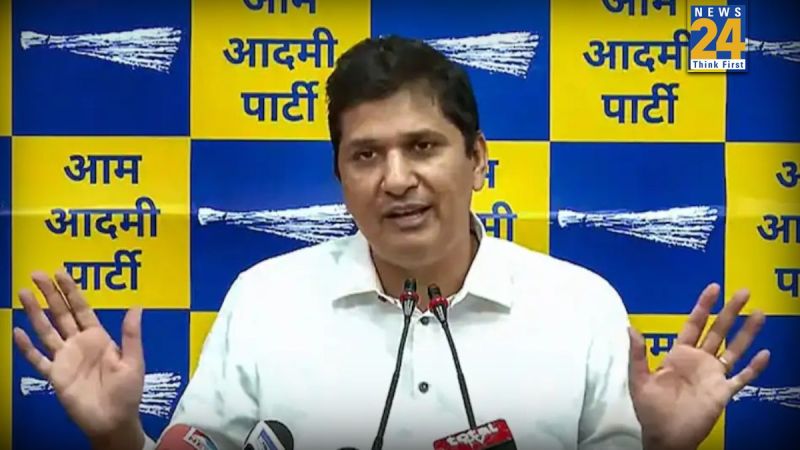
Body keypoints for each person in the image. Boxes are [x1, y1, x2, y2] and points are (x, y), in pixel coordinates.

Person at [13, 36, 769, 450]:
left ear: (478, 159)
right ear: (340, 177)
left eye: (423, 147)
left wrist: (665, 449)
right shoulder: (265, 298)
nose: (396, 179)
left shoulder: (580, 304)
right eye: (366, 155)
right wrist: (119, 436)